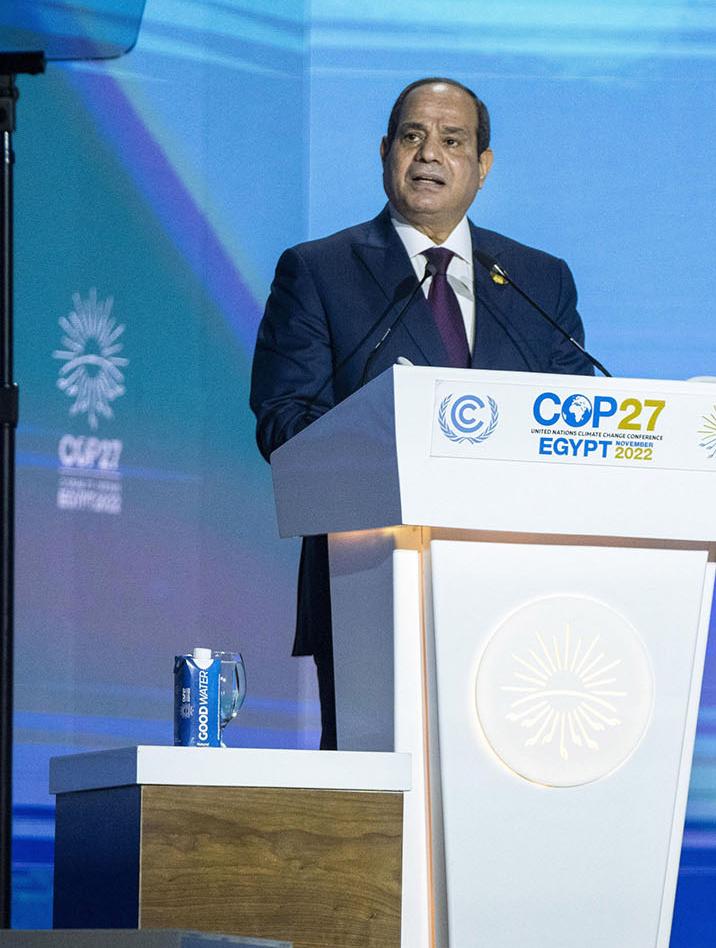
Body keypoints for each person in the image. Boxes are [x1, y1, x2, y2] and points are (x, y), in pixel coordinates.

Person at [249, 77, 598, 748]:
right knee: (380, 811)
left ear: (483, 165)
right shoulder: (318, 271)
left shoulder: (537, 279)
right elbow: (283, 423)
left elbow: (573, 423)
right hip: (370, 588)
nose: (429, 154)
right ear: (385, 152)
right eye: (412, 137)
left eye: (452, 140)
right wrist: (386, 439)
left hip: (521, 592)